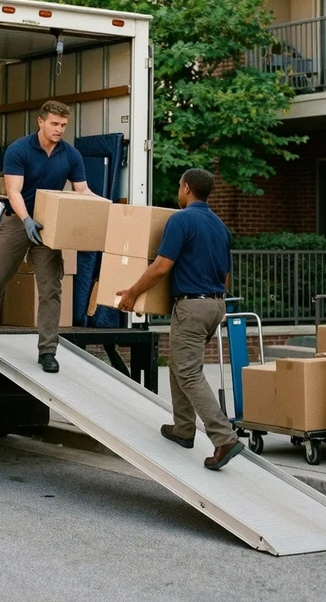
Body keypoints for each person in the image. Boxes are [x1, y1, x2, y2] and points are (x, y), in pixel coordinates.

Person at [116, 168, 242, 471]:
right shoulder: (220, 226)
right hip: (216, 304)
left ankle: (223, 437)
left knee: (188, 372)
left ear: (186, 188)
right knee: (181, 364)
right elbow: (226, 276)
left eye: (179, 186)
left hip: (193, 306)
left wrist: (132, 294)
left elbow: (161, 266)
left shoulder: (181, 219)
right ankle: (183, 428)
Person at [0, 100, 91, 373]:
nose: (59, 130)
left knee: (51, 289)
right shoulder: (19, 149)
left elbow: (82, 191)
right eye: (55, 124)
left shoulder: (70, 155)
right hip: (17, 219)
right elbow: (14, 191)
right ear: (41, 122)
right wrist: (26, 221)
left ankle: (47, 351)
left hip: (50, 225)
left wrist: (104, 209)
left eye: (64, 125)